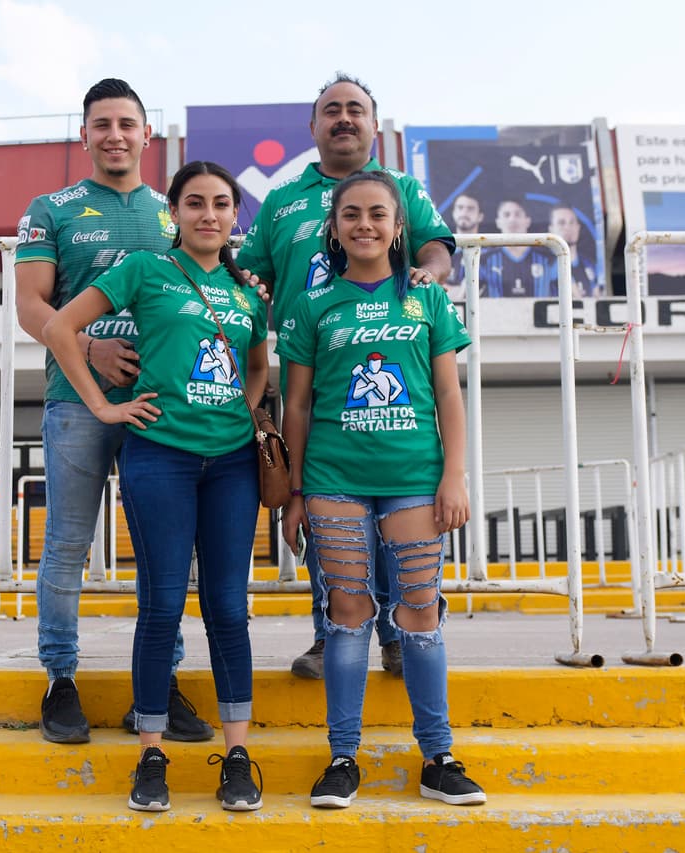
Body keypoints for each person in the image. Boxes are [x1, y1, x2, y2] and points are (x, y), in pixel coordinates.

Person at [46, 161, 269, 813]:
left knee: (229, 607)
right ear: (172, 212)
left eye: (221, 203)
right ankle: (151, 756)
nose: (208, 213)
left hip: (231, 464)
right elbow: (63, 327)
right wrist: (106, 407)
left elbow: (257, 367)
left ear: (235, 216)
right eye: (194, 202)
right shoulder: (145, 270)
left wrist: (243, 416)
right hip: (159, 457)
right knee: (162, 603)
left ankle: (235, 756)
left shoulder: (247, 290)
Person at [236, 72, 455, 681]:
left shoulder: (402, 188)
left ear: (373, 126)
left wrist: (428, 276)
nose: (343, 119)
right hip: (310, 367)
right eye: (331, 110)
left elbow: (437, 246)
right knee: (327, 503)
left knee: (391, 507)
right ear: (313, 128)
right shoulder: (281, 201)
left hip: (386, 360)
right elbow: (251, 275)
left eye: (355, 109)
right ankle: (330, 632)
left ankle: (394, 636)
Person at [277, 171, 486, 809]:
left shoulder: (427, 300)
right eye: (351, 215)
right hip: (334, 481)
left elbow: (449, 393)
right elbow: (300, 405)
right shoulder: (314, 305)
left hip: (414, 483)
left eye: (377, 215)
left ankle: (439, 758)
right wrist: (292, 493)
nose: (364, 224)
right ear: (333, 229)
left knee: (420, 617)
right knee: (347, 617)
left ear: (399, 228)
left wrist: (455, 476)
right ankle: (342, 759)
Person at [14, 78, 212, 746]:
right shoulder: (51, 208)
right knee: (68, 543)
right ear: (85, 135)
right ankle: (60, 678)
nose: (115, 135)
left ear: (146, 135)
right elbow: (32, 307)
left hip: (162, 408)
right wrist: (92, 349)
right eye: (102, 124)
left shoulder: (172, 211)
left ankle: (159, 684)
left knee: (164, 552)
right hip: (76, 401)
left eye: (127, 123)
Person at [479, 197, 554, 298]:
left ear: (528, 221)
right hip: (496, 314)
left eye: (517, 214)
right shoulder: (483, 260)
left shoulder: (549, 259)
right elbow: (462, 297)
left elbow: (575, 297)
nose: (512, 219)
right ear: (498, 222)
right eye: (506, 215)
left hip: (540, 314)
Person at [547, 204, 601, 297]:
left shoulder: (589, 264)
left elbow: (597, 297)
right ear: (551, 229)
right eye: (561, 223)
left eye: (572, 222)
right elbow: (576, 299)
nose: (568, 227)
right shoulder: (547, 264)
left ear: (578, 227)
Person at [446, 193, 483, 303]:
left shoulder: (490, 253)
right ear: (453, 213)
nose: (464, 212)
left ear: (480, 216)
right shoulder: (441, 249)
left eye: (470, 209)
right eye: (460, 207)